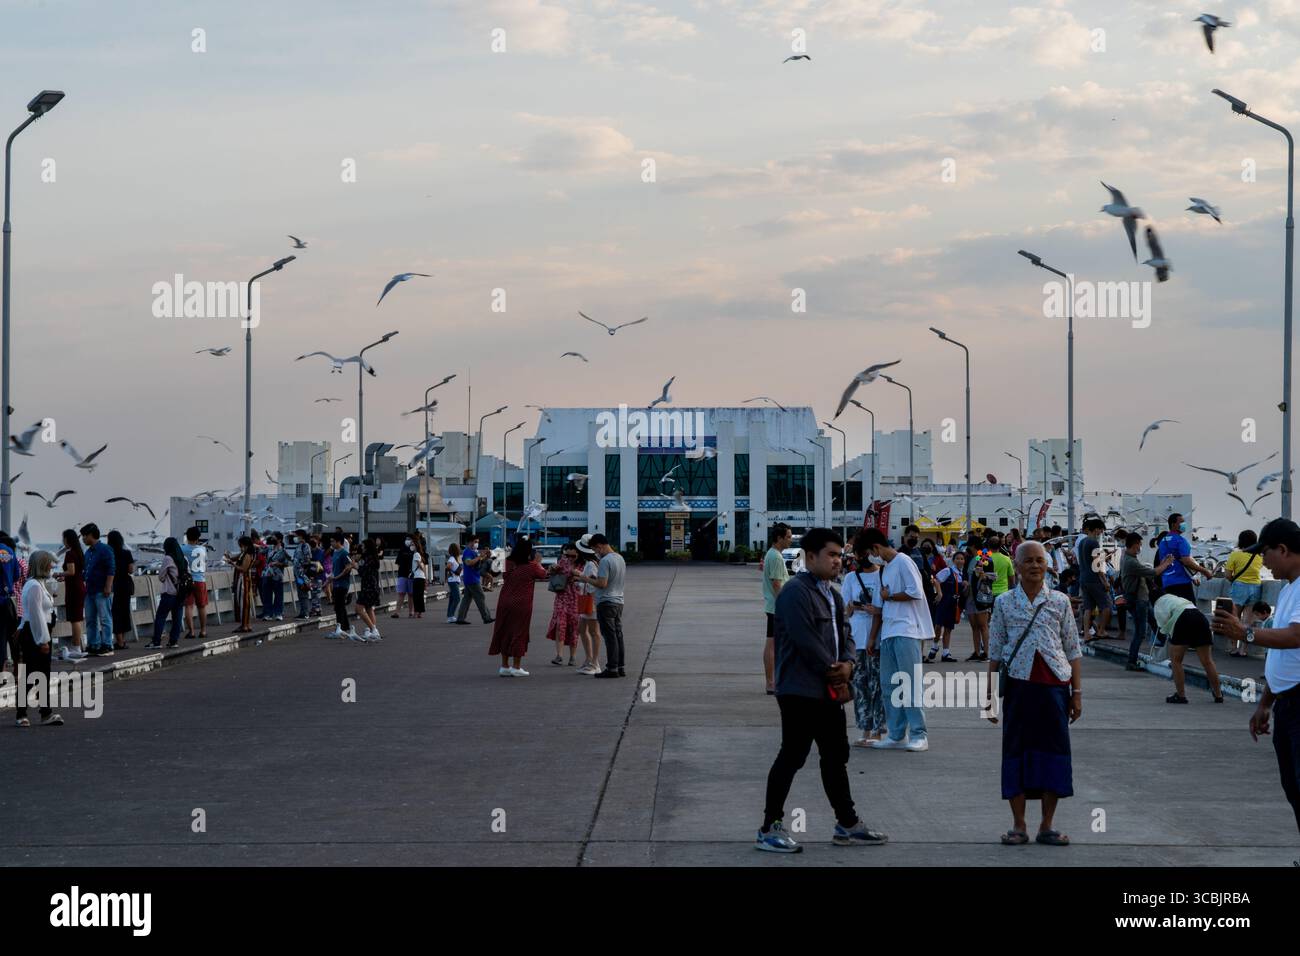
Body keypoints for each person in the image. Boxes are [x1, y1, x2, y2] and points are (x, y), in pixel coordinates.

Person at [756, 527, 887, 853]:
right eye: (831, 554)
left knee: (835, 756)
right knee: (793, 755)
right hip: (799, 690)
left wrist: (849, 664)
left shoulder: (833, 593)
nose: (837, 560)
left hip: (827, 690)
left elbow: (847, 636)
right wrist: (838, 674)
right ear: (810, 557)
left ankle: (847, 823)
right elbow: (805, 642)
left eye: (839, 554)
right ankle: (769, 827)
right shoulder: (794, 594)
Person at [987, 541, 1082, 847]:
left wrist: (1077, 692)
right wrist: (989, 698)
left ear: (1047, 565)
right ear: (1016, 565)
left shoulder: (1060, 601)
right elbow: (995, 651)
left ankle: (1047, 825)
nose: (1034, 565)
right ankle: (1018, 825)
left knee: (1054, 755)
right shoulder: (1003, 603)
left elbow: (1072, 649)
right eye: (1028, 560)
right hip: (1018, 687)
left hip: (1055, 688)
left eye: (1040, 560)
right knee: (1015, 753)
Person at [1212, 519, 1300, 834]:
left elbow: (1295, 637)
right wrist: (1266, 703)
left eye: (1265, 554)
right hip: (1287, 702)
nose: (1262, 562)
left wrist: (1245, 633)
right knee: (1293, 789)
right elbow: (1284, 656)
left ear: (1283, 550)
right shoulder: (1290, 589)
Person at [859, 527, 931, 751]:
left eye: (869, 552)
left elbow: (915, 591)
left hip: (906, 630)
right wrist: (872, 639)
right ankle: (896, 733)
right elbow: (879, 609)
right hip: (888, 633)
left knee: (909, 684)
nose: (870, 557)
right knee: (889, 685)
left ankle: (919, 734)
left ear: (876, 547)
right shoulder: (885, 569)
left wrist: (889, 596)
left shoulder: (904, 562)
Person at [843, 531, 886, 745]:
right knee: (860, 686)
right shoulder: (850, 578)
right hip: (857, 639)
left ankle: (879, 730)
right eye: (862, 553)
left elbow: (885, 608)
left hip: (877, 639)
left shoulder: (883, 575)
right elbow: (845, 611)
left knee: (878, 685)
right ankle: (865, 731)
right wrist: (851, 607)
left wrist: (876, 612)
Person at [488, 538, 552, 676]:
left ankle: (504, 666)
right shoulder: (532, 566)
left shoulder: (507, 562)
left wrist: (498, 556)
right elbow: (544, 574)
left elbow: (493, 571)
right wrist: (538, 562)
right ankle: (516, 667)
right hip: (522, 604)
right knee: (519, 633)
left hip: (504, 601)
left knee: (504, 632)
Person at [14, 550, 62, 727]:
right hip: (36, 633)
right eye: (50, 563)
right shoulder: (34, 585)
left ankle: (44, 712)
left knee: (41, 674)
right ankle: (22, 713)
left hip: (34, 630)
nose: (52, 566)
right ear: (42, 564)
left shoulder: (38, 583)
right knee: (32, 674)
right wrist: (43, 640)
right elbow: (35, 616)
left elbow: (31, 611)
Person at [1154, 592, 1224, 703]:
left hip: (1182, 620)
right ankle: (1218, 694)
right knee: (1207, 661)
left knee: (1176, 661)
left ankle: (1181, 696)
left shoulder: (1157, 605)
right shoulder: (1176, 597)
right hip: (1199, 617)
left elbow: (1164, 626)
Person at [574, 533, 627, 678]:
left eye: (596, 550)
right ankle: (620, 666)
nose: (596, 553)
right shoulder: (620, 558)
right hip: (619, 601)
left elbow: (602, 584)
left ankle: (612, 668)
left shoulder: (605, 561)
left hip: (606, 602)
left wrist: (585, 578)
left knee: (609, 637)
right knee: (618, 635)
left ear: (599, 546)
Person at [1119, 532, 1162, 670]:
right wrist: (1166, 563)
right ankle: (1131, 662)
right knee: (1140, 632)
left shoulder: (1127, 557)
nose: (1140, 547)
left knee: (1155, 622)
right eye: (1140, 544)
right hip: (1139, 600)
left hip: (1141, 598)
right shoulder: (1131, 561)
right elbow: (1153, 572)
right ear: (1135, 544)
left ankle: (1169, 646)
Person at [762, 523, 793, 695]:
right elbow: (776, 584)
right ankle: (771, 682)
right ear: (779, 538)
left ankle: (774, 680)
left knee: (775, 644)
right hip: (776, 608)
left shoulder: (774, 555)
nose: (790, 540)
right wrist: (785, 605)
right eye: (788, 536)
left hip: (774, 607)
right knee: (772, 644)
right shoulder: (775, 557)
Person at [1224, 529, 1264, 656]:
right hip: (1256, 587)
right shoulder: (1258, 556)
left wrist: (1234, 580)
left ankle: (1233, 648)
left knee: (1234, 618)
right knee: (1248, 621)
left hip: (1240, 586)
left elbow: (1228, 575)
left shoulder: (1235, 555)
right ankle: (1243, 650)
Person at [1157, 512, 1211, 603]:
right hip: (1181, 582)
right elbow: (1186, 561)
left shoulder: (1163, 541)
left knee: (1174, 612)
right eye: (1181, 522)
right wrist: (1205, 571)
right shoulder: (1180, 540)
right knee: (1189, 611)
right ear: (1173, 524)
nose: (1184, 524)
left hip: (1166, 582)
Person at [80, 523, 115, 657]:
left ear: (91, 535)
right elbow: (86, 571)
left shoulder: (105, 549)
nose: (83, 539)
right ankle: (93, 644)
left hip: (101, 589)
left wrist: (108, 586)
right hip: (90, 590)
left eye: (84, 536)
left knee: (105, 618)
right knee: (90, 619)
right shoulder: (88, 552)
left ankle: (107, 644)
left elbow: (111, 569)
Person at [545, 542, 582, 666]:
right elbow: (550, 573)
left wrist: (577, 575)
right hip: (561, 596)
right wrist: (552, 568)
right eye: (567, 555)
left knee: (574, 627)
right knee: (560, 624)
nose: (569, 558)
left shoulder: (583, 564)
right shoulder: (563, 561)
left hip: (576, 598)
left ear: (578, 554)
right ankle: (559, 655)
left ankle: (572, 657)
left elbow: (587, 579)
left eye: (573, 556)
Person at [1076, 518, 1112, 642]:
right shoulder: (1093, 542)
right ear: (1096, 529)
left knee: (1088, 608)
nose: (1101, 532)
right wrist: (1105, 581)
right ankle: (1101, 631)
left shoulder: (1082, 542)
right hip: (1094, 579)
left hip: (1083, 578)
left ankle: (1086, 633)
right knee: (1107, 606)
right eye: (1101, 529)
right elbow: (1097, 565)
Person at [929, 551, 965, 663]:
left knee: (949, 628)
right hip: (943, 602)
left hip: (953, 604)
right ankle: (934, 646)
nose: (960, 560)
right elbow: (936, 580)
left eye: (962, 559)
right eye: (957, 558)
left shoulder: (961, 575)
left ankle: (945, 653)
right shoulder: (947, 571)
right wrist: (939, 593)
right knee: (938, 626)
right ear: (953, 560)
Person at [151, 537, 187, 648]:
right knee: (177, 619)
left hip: (169, 593)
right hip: (180, 594)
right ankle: (173, 641)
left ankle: (156, 642)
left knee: (161, 616)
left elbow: (161, 576)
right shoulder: (183, 559)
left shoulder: (168, 558)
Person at [575, 535, 602, 674]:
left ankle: (594, 662)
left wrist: (580, 580)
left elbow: (593, 583)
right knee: (583, 629)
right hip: (589, 600)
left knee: (593, 632)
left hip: (591, 600)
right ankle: (589, 659)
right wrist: (580, 581)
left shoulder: (591, 564)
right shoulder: (592, 562)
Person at [453, 535, 494, 625]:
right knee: (480, 597)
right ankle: (486, 617)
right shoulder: (468, 552)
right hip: (472, 579)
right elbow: (468, 562)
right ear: (470, 542)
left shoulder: (472, 552)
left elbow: (477, 563)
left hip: (470, 578)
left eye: (477, 542)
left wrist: (484, 557)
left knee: (467, 599)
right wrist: (479, 557)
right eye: (475, 541)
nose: (477, 544)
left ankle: (460, 618)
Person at [328, 533, 362, 641]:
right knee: (338, 606)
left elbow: (348, 567)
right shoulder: (335, 553)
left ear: (339, 542)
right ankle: (344, 628)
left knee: (339, 606)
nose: (331, 543)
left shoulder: (344, 553)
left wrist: (337, 577)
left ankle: (341, 628)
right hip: (335, 583)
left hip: (342, 584)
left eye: (333, 541)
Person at [105, 530, 135, 648]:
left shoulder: (109, 553)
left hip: (113, 584)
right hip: (125, 585)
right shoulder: (126, 553)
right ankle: (122, 641)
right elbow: (131, 570)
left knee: (115, 613)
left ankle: (119, 641)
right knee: (124, 612)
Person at [966, 540, 994, 661]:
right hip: (970, 596)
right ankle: (977, 652)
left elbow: (992, 575)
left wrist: (984, 575)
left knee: (983, 625)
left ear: (973, 546)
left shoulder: (984, 556)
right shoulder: (973, 558)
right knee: (974, 626)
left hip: (982, 594)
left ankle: (986, 652)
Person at [181, 527, 208, 640]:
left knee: (188, 606)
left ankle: (191, 632)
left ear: (187, 537)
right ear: (198, 538)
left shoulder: (182, 548)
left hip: (188, 580)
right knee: (201, 606)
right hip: (200, 580)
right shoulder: (203, 549)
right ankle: (203, 631)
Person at [354, 538, 383, 640]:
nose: (361, 548)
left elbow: (364, 572)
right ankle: (373, 631)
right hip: (372, 587)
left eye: (363, 546)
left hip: (368, 587)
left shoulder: (370, 558)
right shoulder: (373, 558)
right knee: (369, 608)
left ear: (367, 547)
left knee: (358, 608)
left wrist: (356, 566)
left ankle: (373, 629)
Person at [229, 536, 256, 633]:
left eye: (240, 544)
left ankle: (244, 625)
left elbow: (244, 569)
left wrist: (233, 564)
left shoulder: (248, 555)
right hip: (242, 579)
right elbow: (235, 558)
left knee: (243, 602)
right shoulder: (244, 553)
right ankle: (246, 624)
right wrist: (229, 558)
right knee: (244, 602)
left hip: (243, 579)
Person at [393, 533, 414, 618]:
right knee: (401, 593)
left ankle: (411, 611)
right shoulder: (402, 550)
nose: (408, 540)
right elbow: (398, 562)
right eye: (407, 539)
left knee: (411, 594)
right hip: (402, 574)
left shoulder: (414, 550)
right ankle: (397, 612)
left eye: (409, 539)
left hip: (411, 574)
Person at [410, 534, 428, 619]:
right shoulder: (420, 554)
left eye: (412, 544)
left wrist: (424, 574)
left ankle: (416, 612)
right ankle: (420, 612)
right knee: (419, 596)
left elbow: (420, 565)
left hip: (417, 577)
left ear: (416, 545)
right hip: (421, 577)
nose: (411, 546)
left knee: (416, 596)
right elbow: (422, 565)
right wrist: (425, 576)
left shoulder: (416, 554)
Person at [445, 542, 463, 624]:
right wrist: (454, 572)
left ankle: (449, 616)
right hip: (453, 580)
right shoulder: (452, 558)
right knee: (457, 598)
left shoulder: (455, 558)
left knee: (452, 599)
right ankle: (451, 616)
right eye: (458, 548)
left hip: (454, 580)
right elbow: (448, 566)